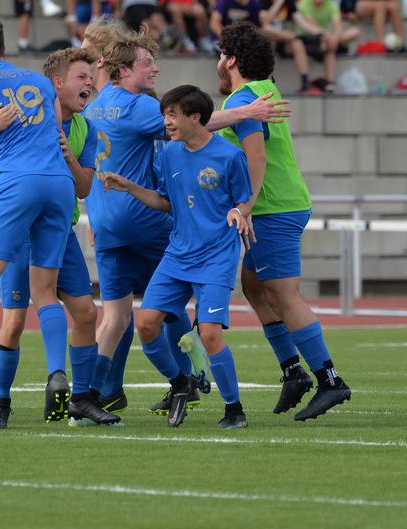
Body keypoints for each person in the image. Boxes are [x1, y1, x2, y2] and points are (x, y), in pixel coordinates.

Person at [83, 24, 291, 418]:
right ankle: (190, 377)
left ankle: (98, 391)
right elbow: (195, 124)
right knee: (167, 313)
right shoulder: (144, 108)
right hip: (154, 229)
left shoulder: (93, 106)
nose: (155, 70)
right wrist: (248, 111)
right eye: (147, 63)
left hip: (109, 224)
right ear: (121, 69)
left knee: (116, 316)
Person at [216, 21, 351, 420]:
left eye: (221, 55)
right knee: (254, 284)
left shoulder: (242, 99)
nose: (218, 63)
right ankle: (293, 371)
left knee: (284, 294)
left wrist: (247, 206)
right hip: (282, 202)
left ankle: (329, 380)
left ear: (233, 59)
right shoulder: (263, 91)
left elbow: (255, 156)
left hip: (273, 208)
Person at [0, 48, 119, 429]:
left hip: (60, 230)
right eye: (81, 76)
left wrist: (68, 159)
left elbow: (85, 186)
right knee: (12, 321)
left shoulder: (85, 128)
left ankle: (80, 399)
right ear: (55, 83)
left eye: (91, 77)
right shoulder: (21, 116)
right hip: (18, 231)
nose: (89, 83)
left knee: (87, 313)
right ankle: (1, 402)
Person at [103, 85, 254, 429]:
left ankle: (234, 409)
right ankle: (180, 382)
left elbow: (245, 200)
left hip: (216, 256)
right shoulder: (169, 153)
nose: (166, 122)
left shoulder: (230, 156)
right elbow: (165, 202)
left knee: (212, 334)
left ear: (195, 118)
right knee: (145, 323)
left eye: (172, 115)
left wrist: (237, 211)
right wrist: (129, 187)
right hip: (177, 254)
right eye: (164, 115)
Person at [0, 15, 75, 423]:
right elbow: (55, 132)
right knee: (46, 289)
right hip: (59, 183)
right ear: (3, 44)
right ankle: (57, 374)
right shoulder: (41, 82)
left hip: (17, 182)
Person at [294, 0, 361, 93]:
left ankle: (330, 83)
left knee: (354, 32)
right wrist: (329, 37)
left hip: (325, 40)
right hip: (307, 39)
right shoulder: (303, 4)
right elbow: (312, 26)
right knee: (298, 43)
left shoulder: (331, 5)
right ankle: (306, 80)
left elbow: (338, 26)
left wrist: (334, 39)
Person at [259, 0, 312, 94]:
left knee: (297, 43)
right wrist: (278, 3)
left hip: (285, 40)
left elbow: (301, 22)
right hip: (270, 39)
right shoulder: (263, 2)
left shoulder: (289, 3)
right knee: (267, 35)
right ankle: (262, 80)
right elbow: (265, 22)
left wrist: (319, 33)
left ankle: (305, 80)